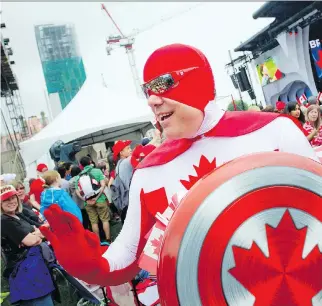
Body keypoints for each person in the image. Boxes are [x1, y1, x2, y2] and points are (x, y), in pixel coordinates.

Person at [40, 43, 319, 298]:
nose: (152, 100)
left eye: (163, 84)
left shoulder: (273, 132)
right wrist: (89, 264)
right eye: (147, 91)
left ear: (195, 80)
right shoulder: (149, 172)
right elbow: (127, 252)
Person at [1, 185, 55, 306]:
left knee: (45, 297)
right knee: (40, 299)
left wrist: (34, 235)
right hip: (24, 269)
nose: (11, 202)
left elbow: (44, 228)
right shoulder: (4, 221)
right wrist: (36, 235)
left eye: (12, 198)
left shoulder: (18, 215)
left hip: (36, 265)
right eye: (5, 200)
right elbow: (31, 241)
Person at [76, 156, 110, 242]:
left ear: (81, 165)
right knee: (104, 220)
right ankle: (108, 239)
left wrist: (86, 200)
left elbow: (78, 192)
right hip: (100, 199)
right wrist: (96, 198)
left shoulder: (78, 176)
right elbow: (103, 186)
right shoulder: (97, 171)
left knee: (93, 222)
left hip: (88, 203)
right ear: (90, 162)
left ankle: (98, 242)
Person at [112, 140, 134, 223]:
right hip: (130, 201)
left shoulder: (118, 165)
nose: (130, 150)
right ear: (121, 152)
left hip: (125, 202)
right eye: (128, 148)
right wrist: (156, 138)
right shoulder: (125, 162)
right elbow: (139, 152)